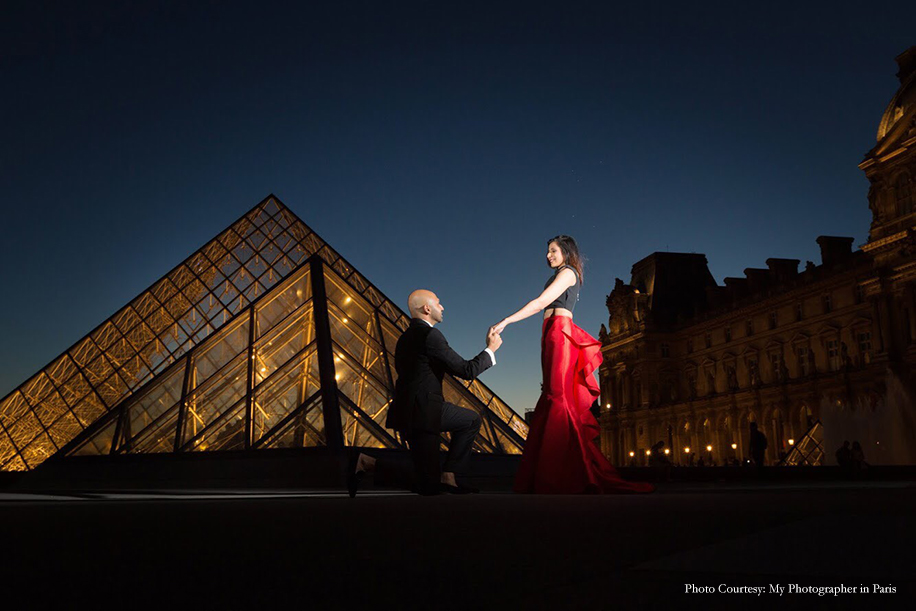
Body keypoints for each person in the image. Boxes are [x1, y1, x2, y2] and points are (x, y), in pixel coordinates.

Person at [492, 235, 654, 494]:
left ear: (566, 252)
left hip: (559, 332)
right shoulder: (562, 273)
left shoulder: (568, 273)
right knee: (554, 397)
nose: (548, 255)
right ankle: (563, 472)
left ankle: (564, 474)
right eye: (547, 251)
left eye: (553, 250)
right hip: (550, 332)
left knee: (557, 399)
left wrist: (507, 321)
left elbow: (541, 302)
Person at [348, 289, 502, 496]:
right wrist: (490, 349)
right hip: (423, 412)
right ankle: (367, 463)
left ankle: (448, 477)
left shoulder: (405, 338)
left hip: (416, 409)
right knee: (428, 485)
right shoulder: (430, 335)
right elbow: (467, 370)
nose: (442, 307)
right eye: (439, 303)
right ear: (427, 309)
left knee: (470, 420)